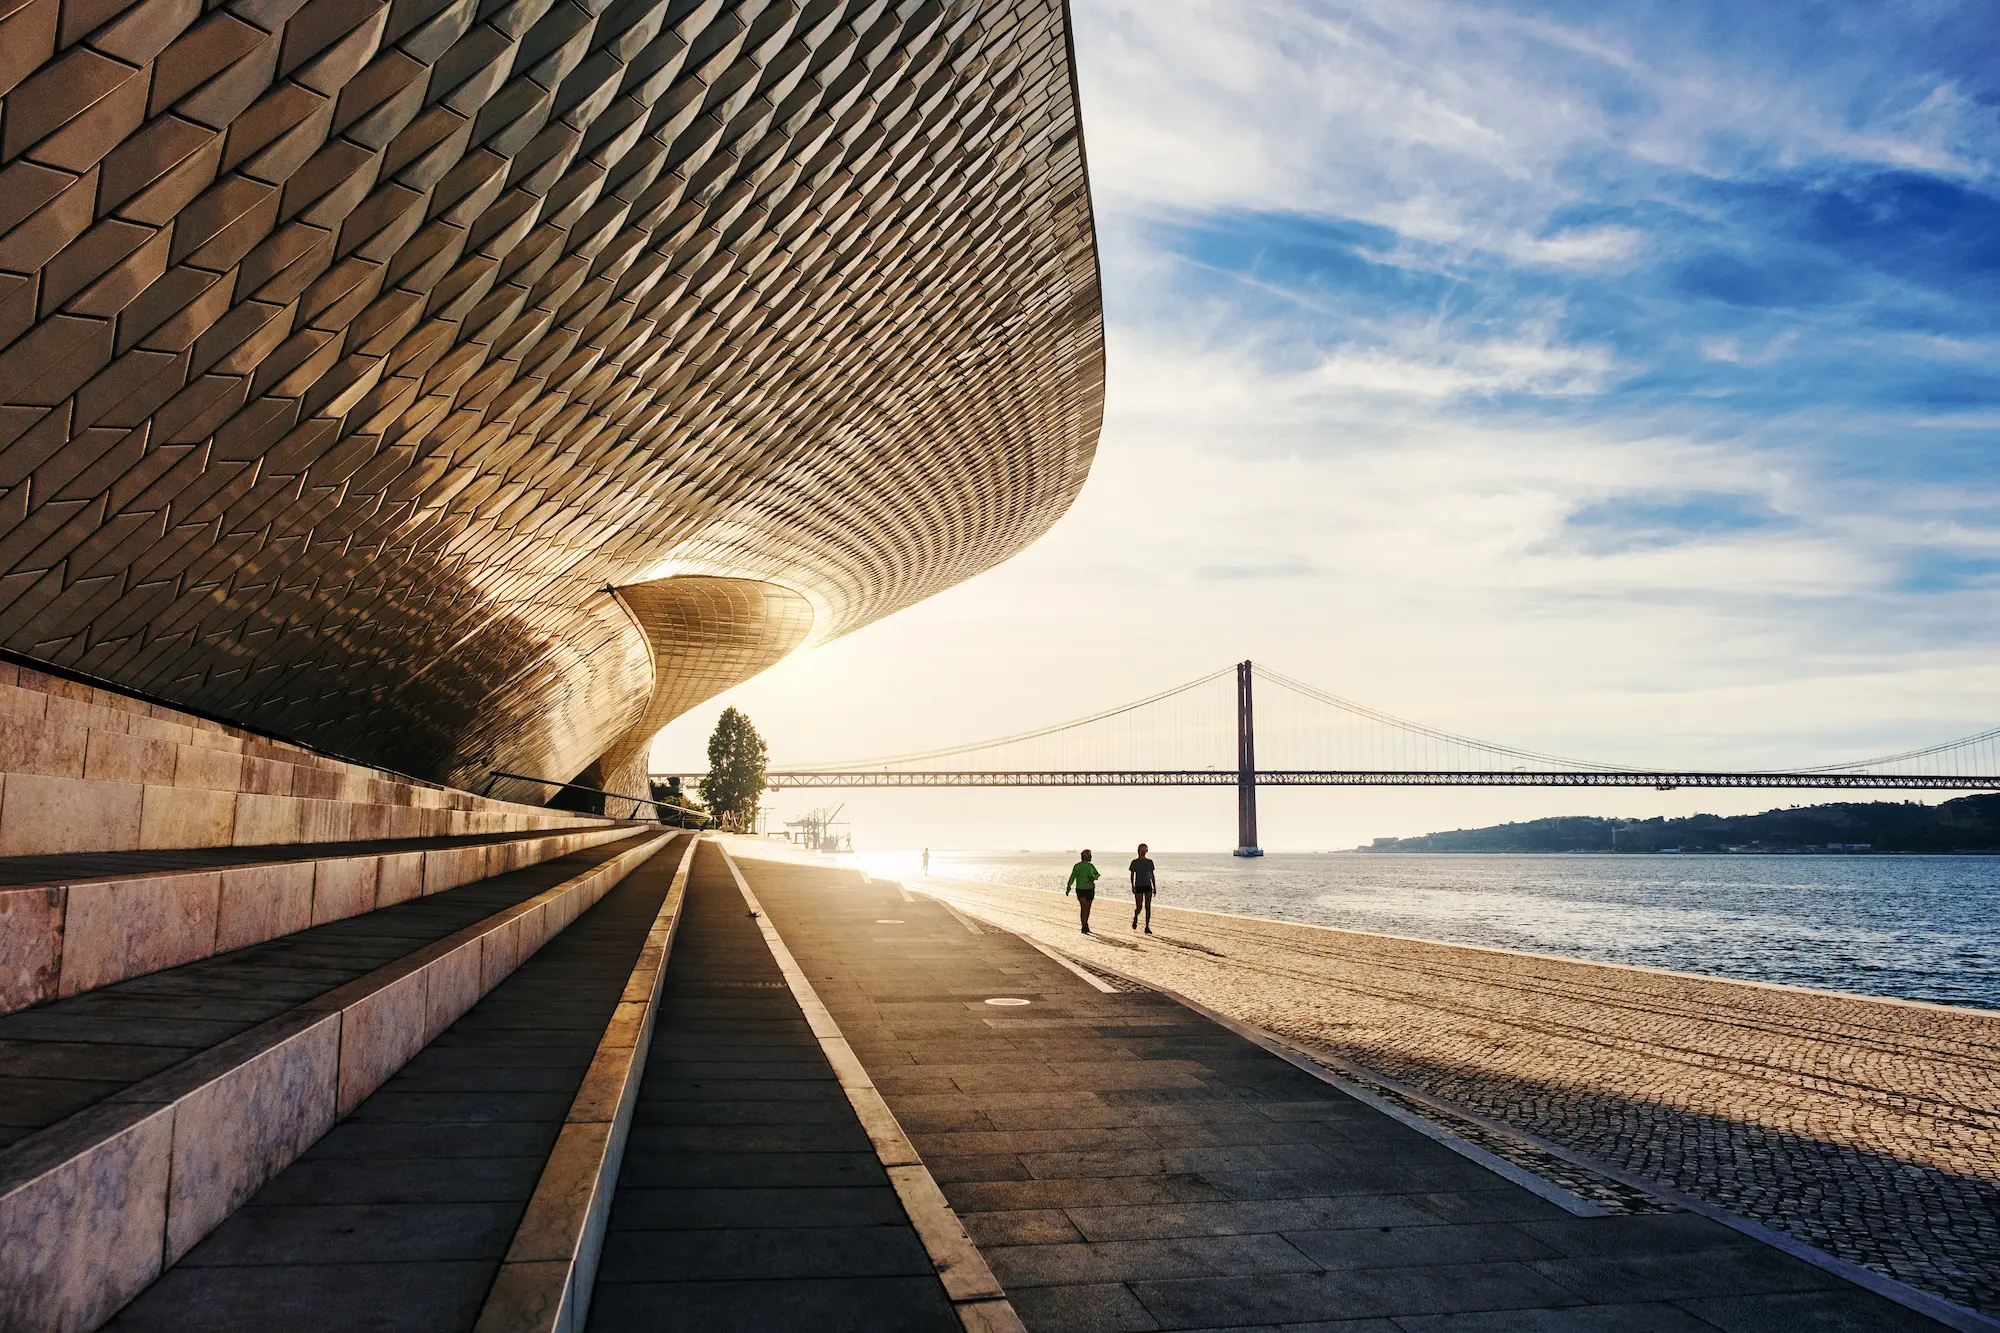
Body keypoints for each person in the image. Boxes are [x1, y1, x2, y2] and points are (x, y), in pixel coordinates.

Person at [1064, 849, 1100, 933]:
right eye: (1090, 855)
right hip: (1081, 889)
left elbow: (1097, 874)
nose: (1091, 856)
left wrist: (1094, 878)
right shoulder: (1077, 866)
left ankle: (1085, 923)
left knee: (1087, 909)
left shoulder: (1091, 866)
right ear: (1085, 856)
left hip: (1090, 889)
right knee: (1083, 908)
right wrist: (1068, 887)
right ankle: (1083, 925)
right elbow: (1072, 877)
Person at [1130, 842, 1156, 933]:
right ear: (1138, 851)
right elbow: (1132, 875)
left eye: (1145, 850)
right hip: (1138, 886)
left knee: (1148, 906)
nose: (1143, 852)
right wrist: (1132, 886)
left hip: (1148, 885)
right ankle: (1135, 917)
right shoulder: (1134, 862)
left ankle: (1147, 926)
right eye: (1142, 850)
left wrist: (1154, 887)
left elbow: (1152, 875)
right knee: (1139, 906)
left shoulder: (1149, 862)